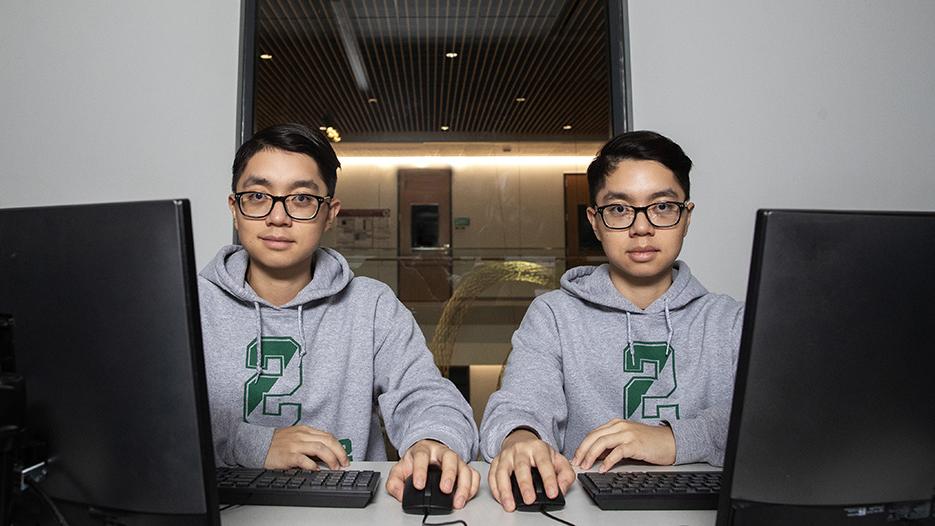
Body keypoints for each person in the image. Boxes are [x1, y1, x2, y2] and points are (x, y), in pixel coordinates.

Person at [199, 123, 480, 508]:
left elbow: (426, 395)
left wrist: (432, 441)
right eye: (258, 196)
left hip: (347, 510)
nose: (277, 217)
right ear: (235, 208)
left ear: (330, 214)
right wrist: (255, 443)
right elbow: (146, 424)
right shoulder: (192, 303)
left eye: (301, 199)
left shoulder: (372, 305)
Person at [479, 131, 744, 512]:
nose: (641, 227)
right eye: (619, 209)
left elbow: (772, 425)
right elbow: (520, 404)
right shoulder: (555, 315)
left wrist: (673, 440)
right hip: (584, 514)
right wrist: (519, 438)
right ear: (595, 221)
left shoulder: (731, 321)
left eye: (663, 206)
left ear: (686, 218)